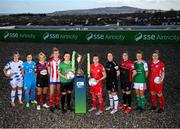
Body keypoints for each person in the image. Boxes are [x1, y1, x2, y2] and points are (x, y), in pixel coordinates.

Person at [48, 48, 61, 112]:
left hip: (59, 79)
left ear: (58, 54)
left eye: (57, 53)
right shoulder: (50, 60)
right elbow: (48, 68)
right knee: (51, 93)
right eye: (55, 53)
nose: (56, 54)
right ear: (53, 54)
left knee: (58, 92)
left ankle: (56, 104)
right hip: (52, 79)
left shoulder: (61, 60)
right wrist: (51, 75)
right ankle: (51, 105)